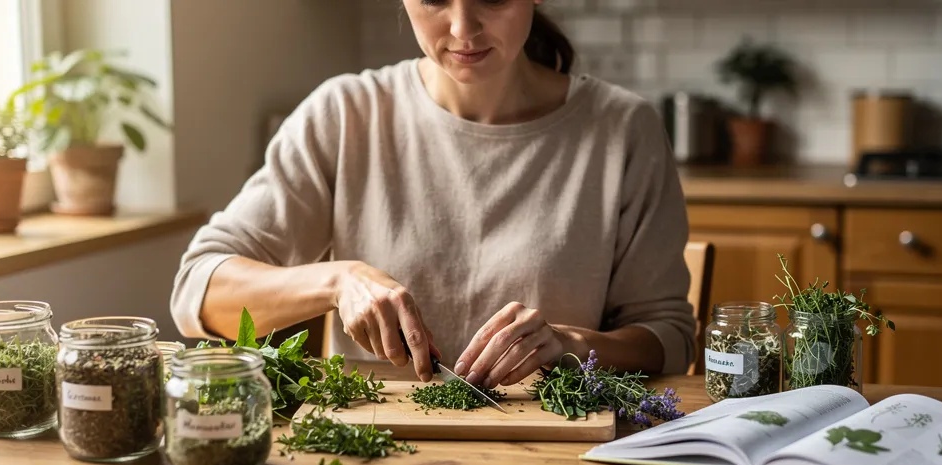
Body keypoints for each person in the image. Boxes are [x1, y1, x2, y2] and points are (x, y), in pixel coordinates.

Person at [169, 0, 696, 389]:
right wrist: (337, 280)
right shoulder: (345, 115)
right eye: (435, 0)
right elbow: (197, 291)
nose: (463, 28)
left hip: (554, 459)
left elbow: (669, 337)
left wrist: (575, 346)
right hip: (370, 450)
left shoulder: (624, 130)